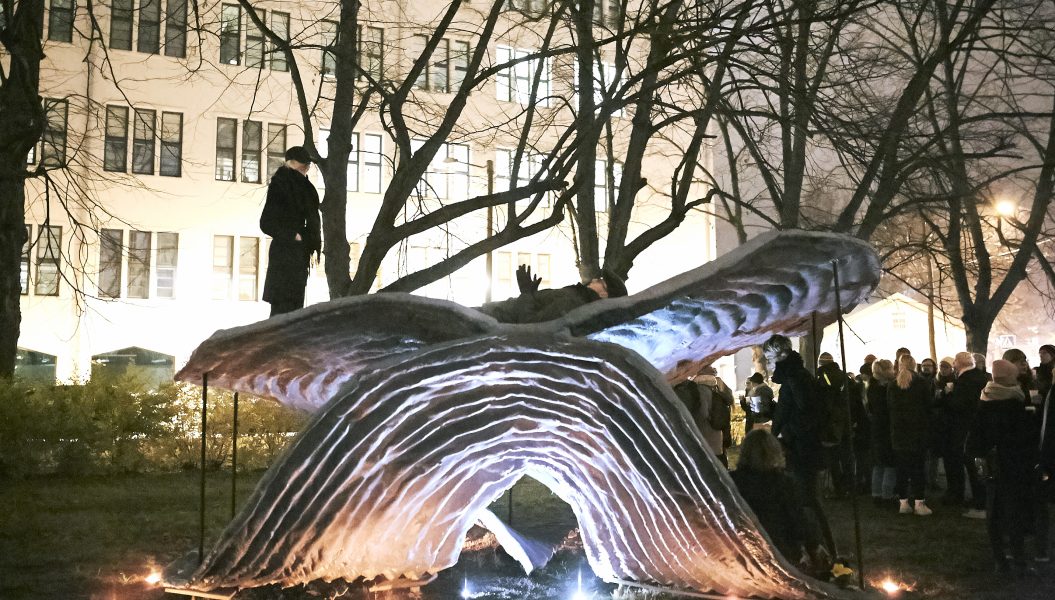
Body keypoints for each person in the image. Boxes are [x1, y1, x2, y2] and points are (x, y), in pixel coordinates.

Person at [764, 334, 836, 554]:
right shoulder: (796, 376)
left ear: (779, 356)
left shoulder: (795, 378)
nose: (769, 364)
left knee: (807, 499)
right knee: (803, 498)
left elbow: (804, 411)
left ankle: (821, 546)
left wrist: (786, 431)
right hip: (800, 446)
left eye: (770, 358)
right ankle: (815, 545)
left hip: (801, 449)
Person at [967, 360, 1038, 573]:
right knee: (1014, 513)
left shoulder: (985, 399)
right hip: (1012, 466)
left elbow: (975, 439)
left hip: (993, 467)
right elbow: (1023, 438)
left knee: (995, 514)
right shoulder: (1013, 402)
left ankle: (1000, 558)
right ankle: (1018, 559)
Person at [731, 429, 826, 570]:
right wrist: (814, 545)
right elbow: (798, 521)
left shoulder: (733, 481)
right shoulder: (784, 483)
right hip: (780, 550)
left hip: (741, 550)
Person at [260, 146, 322, 317]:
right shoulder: (281, 185)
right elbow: (266, 223)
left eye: (307, 165)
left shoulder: (303, 187)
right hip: (285, 256)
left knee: (292, 310)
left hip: (297, 256)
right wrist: (294, 236)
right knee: (284, 310)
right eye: (303, 165)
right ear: (292, 164)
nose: (306, 168)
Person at [479, 265, 627, 323]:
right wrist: (533, 295)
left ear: (604, 294)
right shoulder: (576, 298)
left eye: (600, 281)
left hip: (493, 318)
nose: (594, 279)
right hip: (494, 315)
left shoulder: (573, 302)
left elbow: (530, 324)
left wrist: (526, 293)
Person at [888, 354, 933, 516]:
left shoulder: (893, 384)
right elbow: (928, 407)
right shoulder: (921, 383)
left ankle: (903, 503)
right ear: (915, 365)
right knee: (918, 469)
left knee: (901, 469)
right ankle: (919, 503)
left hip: (898, 433)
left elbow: (890, 408)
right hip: (918, 432)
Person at [945, 352, 988, 514]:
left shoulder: (964, 380)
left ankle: (976, 500)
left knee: (966, 463)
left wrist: (948, 394)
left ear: (960, 363)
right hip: (978, 426)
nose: (953, 364)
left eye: (955, 361)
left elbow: (959, 405)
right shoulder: (981, 377)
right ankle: (979, 496)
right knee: (976, 464)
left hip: (963, 427)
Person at [817, 352, 853, 497]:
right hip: (845, 421)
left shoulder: (821, 377)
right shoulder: (844, 376)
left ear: (821, 363)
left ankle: (838, 488)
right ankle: (849, 486)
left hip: (830, 423)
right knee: (846, 457)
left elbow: (823, 402)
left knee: (833, 458)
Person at [868, 359, 897, 506]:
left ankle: (876, 494)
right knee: (890, 464)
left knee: (878, 463)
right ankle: (887, 495)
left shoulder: (871, 387)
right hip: (887, 429)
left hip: (876, 429)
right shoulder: (887, 389)